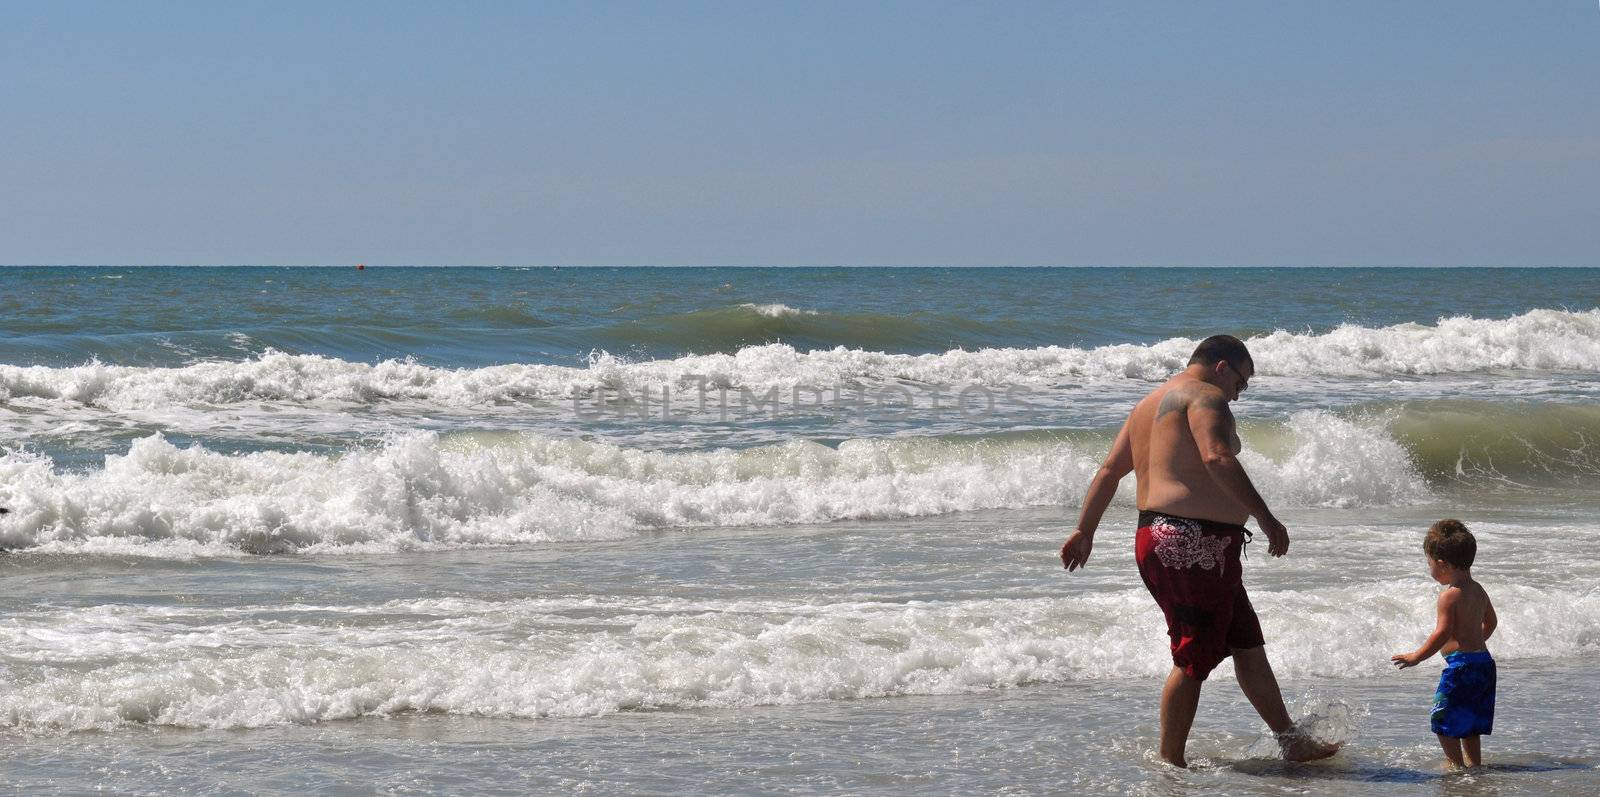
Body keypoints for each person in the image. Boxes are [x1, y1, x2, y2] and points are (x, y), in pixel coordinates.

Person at [1058, 334, 1337, 767]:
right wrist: (1264, 516)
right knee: (1194, 654)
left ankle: (1290, 740)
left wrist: (1084, 529)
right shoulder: (1206, 397)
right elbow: (1218, 458)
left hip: (1166, 538)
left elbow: (1110, 470)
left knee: (1245, 642)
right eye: (1241, 383)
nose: (1238, 394)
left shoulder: (1150, 402)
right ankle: (1170, 764)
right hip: (1188, 543)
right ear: (1222, 367)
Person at [1390, 519, 1497, 769]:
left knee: (1442, 719)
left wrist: (1417, 656)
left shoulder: (1449, 596)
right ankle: (1474, 765)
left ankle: (1455, 766)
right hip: (1484, 664)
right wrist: (1476, 643)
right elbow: (1491, 622)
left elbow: (1442, 632)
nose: (1429, 569)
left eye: (1429, 563)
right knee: (1470, 723)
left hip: (1461, 667)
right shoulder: (1478, 589)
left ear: (1442, 564)